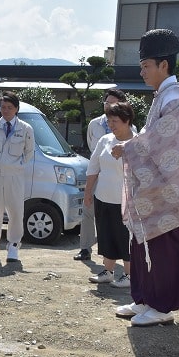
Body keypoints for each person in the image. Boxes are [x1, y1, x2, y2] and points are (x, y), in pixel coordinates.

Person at [111, 29, 179, 327]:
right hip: (154, 189)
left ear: (164, 65)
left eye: (146, 65)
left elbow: (160, 141)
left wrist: (128, 146)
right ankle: (146, 298)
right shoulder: (165, 96)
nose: (142, 71)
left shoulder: (174, 99)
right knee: (143, 244)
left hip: (167, 191)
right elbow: (152, 137)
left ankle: (163, 305)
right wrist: (133, 146)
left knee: (165, 249)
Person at [0, 91, 35, 262]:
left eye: (10, 107)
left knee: (16, 211)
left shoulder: (25, 128)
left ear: (16, 108)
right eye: (3, 107)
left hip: (14, 176)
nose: (6, 111)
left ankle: (13, 247)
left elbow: (29, 152)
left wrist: (16, 166)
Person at [84, 102, 135, 288]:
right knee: (105, 234)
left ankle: (130, 275)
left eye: (115, 121)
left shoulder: (136, 142)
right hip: (103, 195)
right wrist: (88, 191)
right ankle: (108, 271)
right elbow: (93, 166)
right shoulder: (105, 140)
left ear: (127, 121)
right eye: (109, 120)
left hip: (126, 200)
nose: (111, 125)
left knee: (125, 237)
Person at [74, 89, 128, 261]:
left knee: (115, 216)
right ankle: (85, 247)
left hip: (117, 177)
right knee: (88, 209)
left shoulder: (130, 127)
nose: (108, 105)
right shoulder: (94, 124)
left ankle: (116, 254)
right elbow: (93, 148)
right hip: (97, 172)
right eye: (106, 102)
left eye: (113, 102)